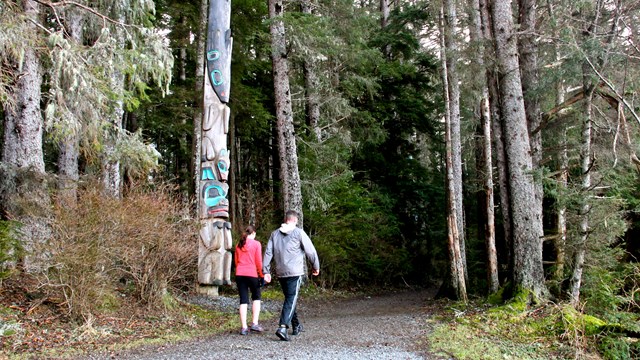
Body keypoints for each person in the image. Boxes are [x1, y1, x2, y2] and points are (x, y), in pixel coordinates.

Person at [263, 210, 320, 341]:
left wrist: (265, 271)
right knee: (291, 299)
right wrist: (316, 266)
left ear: (286, 219)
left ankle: (296, 325)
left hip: (281, 272)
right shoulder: (299, 232)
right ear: (295, 220)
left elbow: (268, 253)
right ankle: (282, 327)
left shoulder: (275, 234)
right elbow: (310, 251)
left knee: (290, 299)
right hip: (295, 272)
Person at [234, 225, 264, 335]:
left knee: (243, 300)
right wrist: (261, 275)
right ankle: (254, 323)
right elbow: (258, 262)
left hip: (240, 274)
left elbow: (236, 261)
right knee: (256, 297)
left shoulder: (239, 244)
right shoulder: (256, 244)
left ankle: (244, 327)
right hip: (252, 274)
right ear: (253, 233)